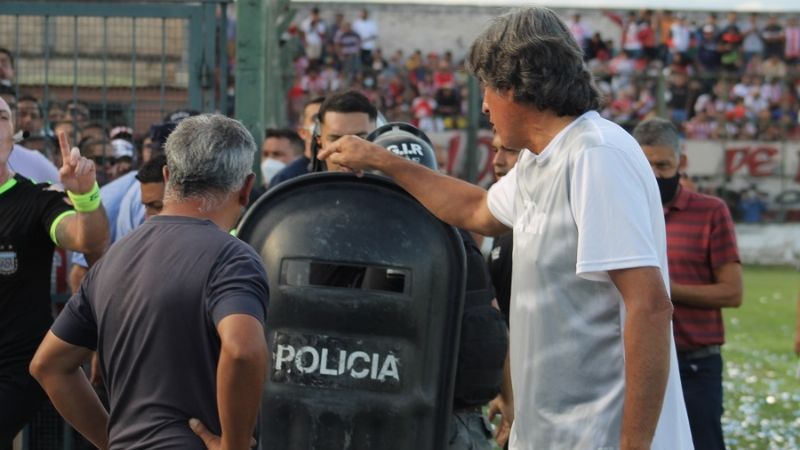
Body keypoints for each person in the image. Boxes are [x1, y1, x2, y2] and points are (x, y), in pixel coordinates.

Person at [320, 7, 692, 449]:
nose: (482, 105)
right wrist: (381, 160)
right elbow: (478, 209)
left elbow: (649, 306)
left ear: (514, 85)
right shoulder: (540, 161)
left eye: (485, 88)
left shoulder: (597, 155)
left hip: (601, 436)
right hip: (551, 434)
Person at [29, 114, 269, 450]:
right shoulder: (233, 258)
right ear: (246, 188)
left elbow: (48, 365)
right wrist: (235, 444)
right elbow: (243, 349)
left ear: (168, 176)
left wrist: (110, 441)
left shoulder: (114, 257)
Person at [0, 96, 109, 447]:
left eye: (1, 117)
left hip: (13, 368)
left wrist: (86, 196)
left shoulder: (36, 200)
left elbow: (86, 238)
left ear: (13, 135)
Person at [633, 117, 742, 450]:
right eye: (645, 164)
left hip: (695, 362)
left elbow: (733, 292)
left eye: (663, 165)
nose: (654, 174)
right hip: (636, 361)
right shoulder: (624, 211)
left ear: (681, 162)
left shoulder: (711, 212)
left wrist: (666, 288)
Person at [485, 132, 521, 449]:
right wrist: (504, 392)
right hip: (516, 387)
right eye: (496, 150)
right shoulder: (500, 227)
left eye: (509, 151)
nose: (497, 161)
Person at [269, 96, 325, 188]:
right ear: (302, 132)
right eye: (316, 119)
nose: (323, 125)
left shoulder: (350, 172)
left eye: (326, 119)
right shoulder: (286, 179)